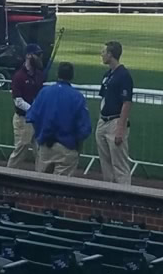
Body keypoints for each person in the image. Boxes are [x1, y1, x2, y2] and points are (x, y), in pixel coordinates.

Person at [23, 61, 91, 176]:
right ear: (72, 76)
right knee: (61, 189)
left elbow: (32, 117)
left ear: (57, 74)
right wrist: (76, 144)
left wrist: (40, 136)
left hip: (45, 146)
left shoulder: (44, 92)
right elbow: (84, 128)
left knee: (41, 185)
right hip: (67, 148)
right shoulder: (77, 97)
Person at [97, 41, 135, 186]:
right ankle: (109, 192)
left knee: (119, 164)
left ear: (111, 54)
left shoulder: (123, 75)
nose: (102, 55)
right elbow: (104, 99)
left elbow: (126, 102)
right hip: (104, 122)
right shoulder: (108, 75)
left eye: (103, 52)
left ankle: (124, 195)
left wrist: (120, 128)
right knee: (105, 164)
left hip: (115, 122)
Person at [6, 46, 48, 168]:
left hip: (36, 120)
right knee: (21, 147)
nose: (40, 57)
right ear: (28, 56)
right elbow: (18, 101)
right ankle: (10, 172)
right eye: (37, 54)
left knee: (40, 150)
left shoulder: (39, 75)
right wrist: (33, 109)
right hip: (23, 119)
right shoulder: (19, 76)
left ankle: (41, 177)